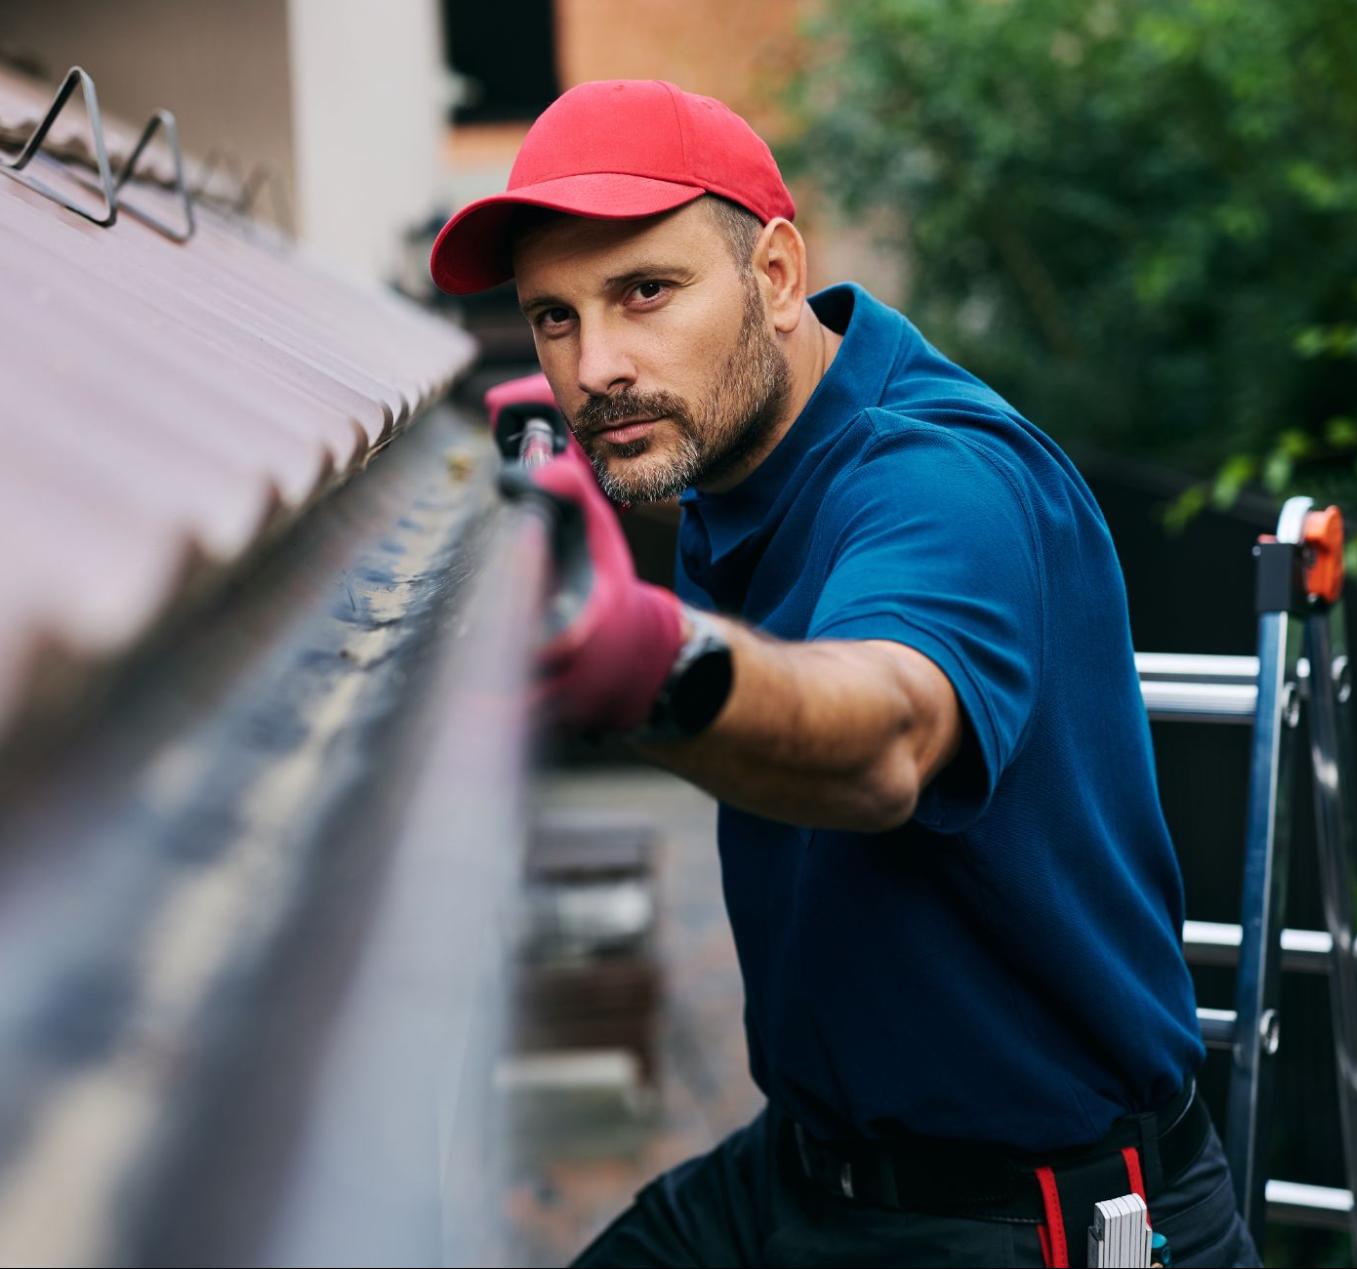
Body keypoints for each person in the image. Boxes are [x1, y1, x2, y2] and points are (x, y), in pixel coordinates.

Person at [429, 80, 1260, 1267]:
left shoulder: (939, 483)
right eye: (553, 318)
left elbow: (885, 738)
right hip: (807, 1164)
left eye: (644, 292)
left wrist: (643, 658)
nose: (595, 364)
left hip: (1029, 1218)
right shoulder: (731, 456)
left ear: (772, 277)